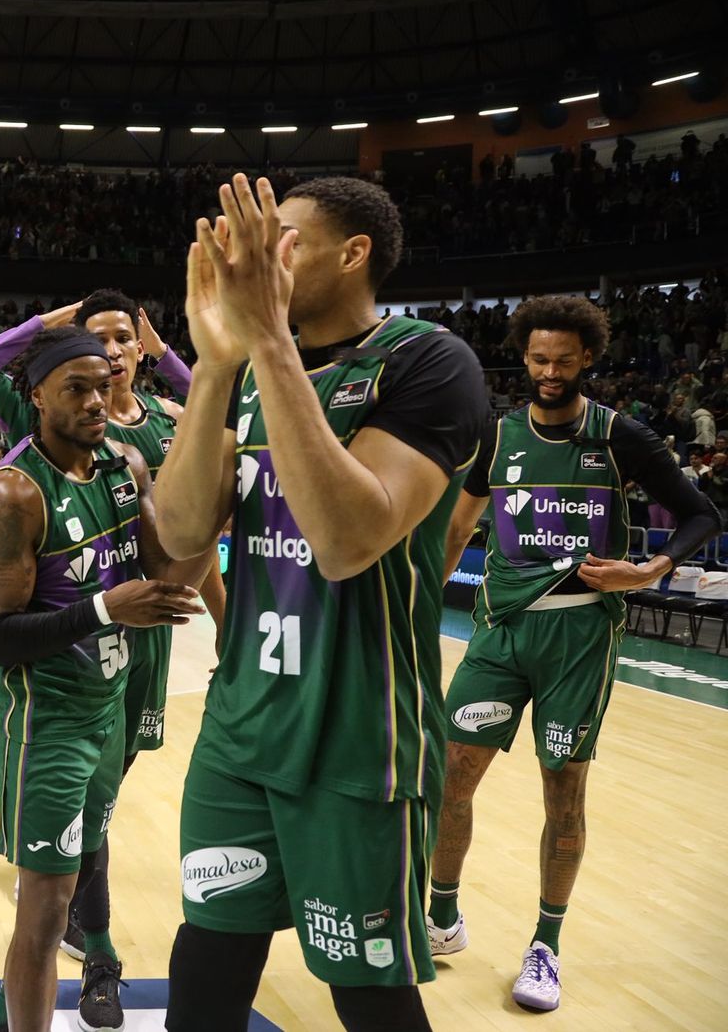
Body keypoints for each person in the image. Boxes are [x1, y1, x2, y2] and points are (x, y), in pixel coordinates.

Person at [155, 174, 488, 1032]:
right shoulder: (252, 369)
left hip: (359, 740)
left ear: (353, 254)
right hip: (240, 733)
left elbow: (345, 541)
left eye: (282, 240)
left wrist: (265, 340)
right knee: (206, 970)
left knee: (369, 997)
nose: (255, 258)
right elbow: (181, 539)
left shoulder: (429, 361)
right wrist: (215, 366)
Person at [427, 296, 722, 1011]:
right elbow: (457, 530)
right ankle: (440, 917)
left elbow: (702, 514)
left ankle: (545, 945)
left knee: (563, 790)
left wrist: (647, 571)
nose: (550, 372)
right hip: (500, 631)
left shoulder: (620, 436)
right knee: (452, 775)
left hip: (581, 636)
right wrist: (415, 609)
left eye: (564, 360)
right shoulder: (497, 437)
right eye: (539, 359)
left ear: (588, 357)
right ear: (524, 357)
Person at [0, 290, 228, 1026]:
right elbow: (1, 635)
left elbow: (165, 575)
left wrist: (219, 507)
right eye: (76, 388)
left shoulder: (124, 463)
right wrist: (105, 609)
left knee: (76, 876)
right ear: (37, 396)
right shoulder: (13, 492)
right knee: (45, 912)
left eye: (103, 386)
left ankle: (4, 1013)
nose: (96, 401)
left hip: (110, 708)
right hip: (47, 722)